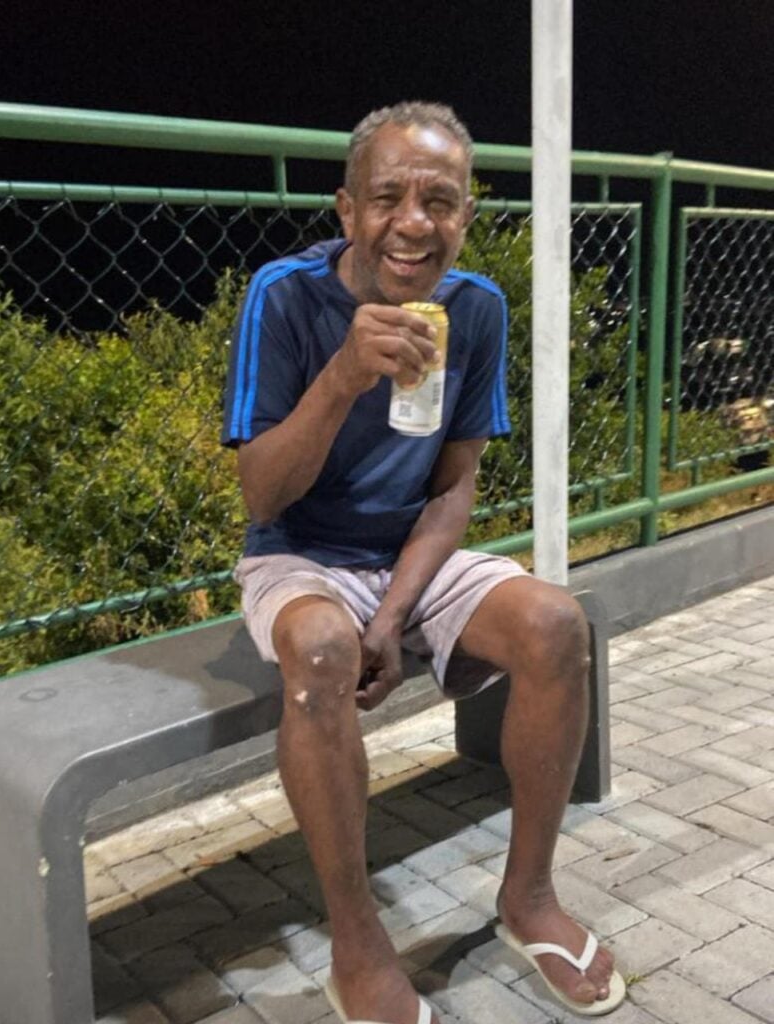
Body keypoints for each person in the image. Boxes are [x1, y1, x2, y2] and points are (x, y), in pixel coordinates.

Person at [222, 101, 625, 1024]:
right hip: (300, 553)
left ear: (466, 216)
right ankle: (358, 947)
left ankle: (527, 899)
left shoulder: (474, 307)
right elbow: (260, 498)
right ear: (346, 210)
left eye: (438, 201)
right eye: (387, 198)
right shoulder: (282, 296)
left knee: (556, 623)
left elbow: (452, 489)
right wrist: (341, 375)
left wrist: (396, 614)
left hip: (409, 551)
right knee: (321, 652)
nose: (413, 222)